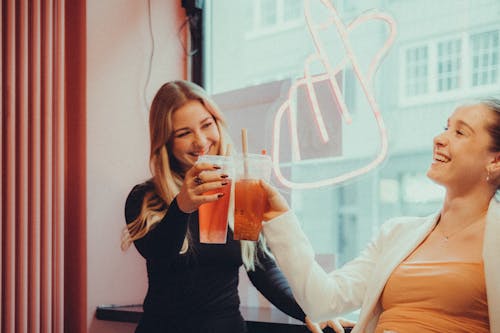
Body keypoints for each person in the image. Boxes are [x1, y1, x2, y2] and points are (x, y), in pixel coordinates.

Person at [121, 80, 354, 333]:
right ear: (166, 142)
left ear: (218, 124)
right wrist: (182, 207)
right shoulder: (146, 198)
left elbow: (262, 269)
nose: (200, 141)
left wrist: (311, 312)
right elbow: (161, 255)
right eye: (183, 133)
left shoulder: (240, 190)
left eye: (206, 125)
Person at [258, 98, 500, 333]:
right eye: (446, 128)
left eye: (460, 133)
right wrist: (279, 218)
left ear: (495, 161)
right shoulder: (397, 234)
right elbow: (322, 301)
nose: (439, 139)